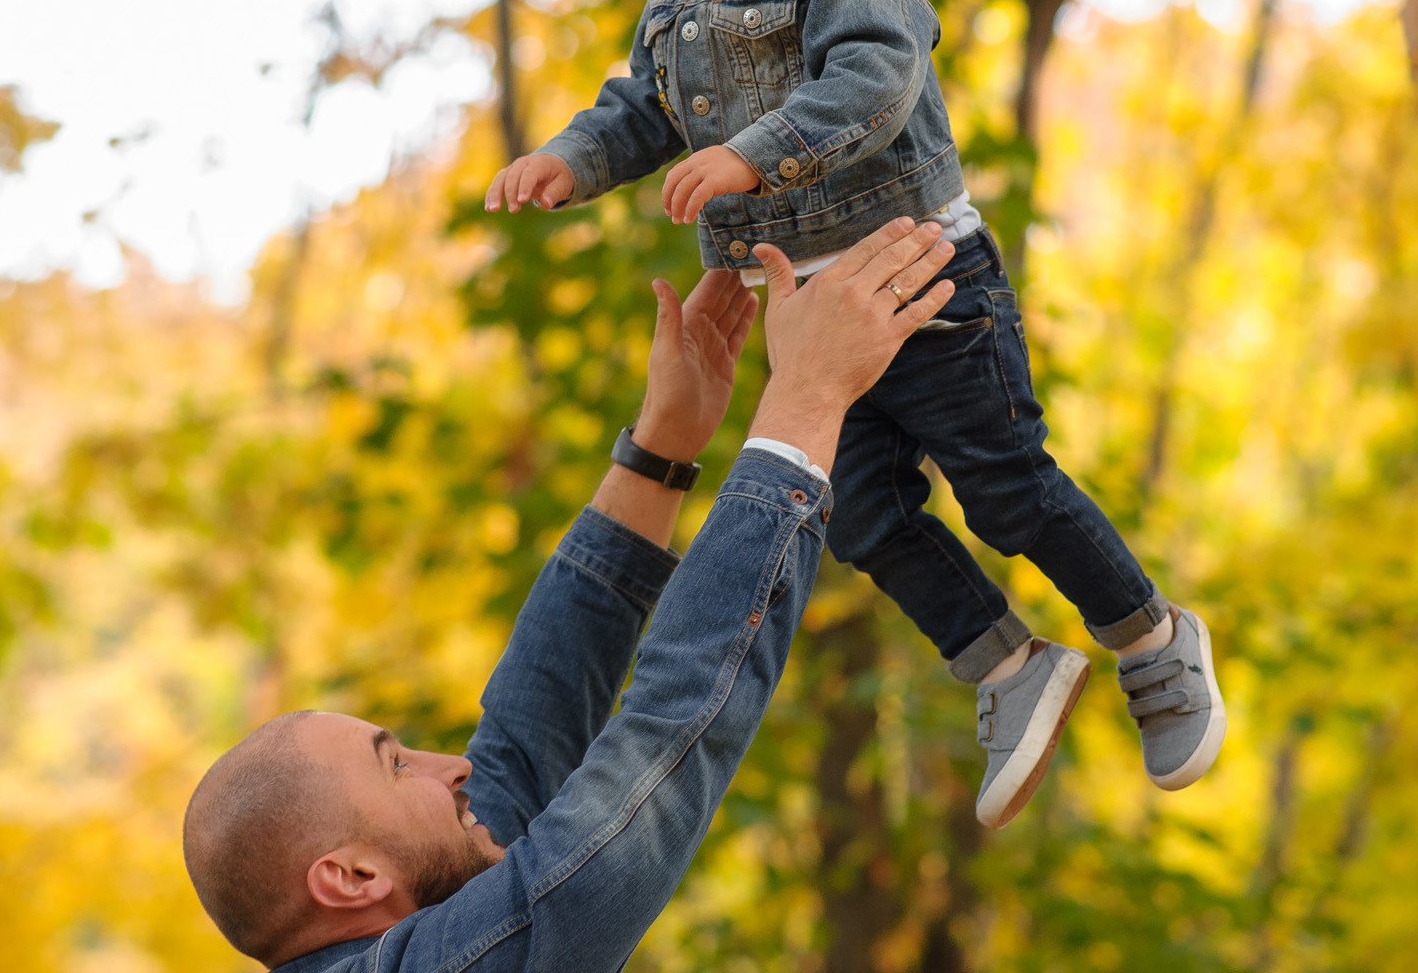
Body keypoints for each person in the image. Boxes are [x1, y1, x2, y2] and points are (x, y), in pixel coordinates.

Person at [485, 0, 1225, 827]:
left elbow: (877, 79)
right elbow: (640, 108)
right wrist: (572, 160)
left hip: (919, 280)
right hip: (812, 316)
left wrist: (751, 154)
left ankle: (1153, 639)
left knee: (1004, 486)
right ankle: (1007, 667)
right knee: (861, 515)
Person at [185, 217, 959, 971]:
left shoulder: (419, 925)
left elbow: (523, 743)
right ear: (351, 879)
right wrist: (808, 395)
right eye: (397, 768)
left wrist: (660, 451)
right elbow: (665, 737)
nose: (450, 766)